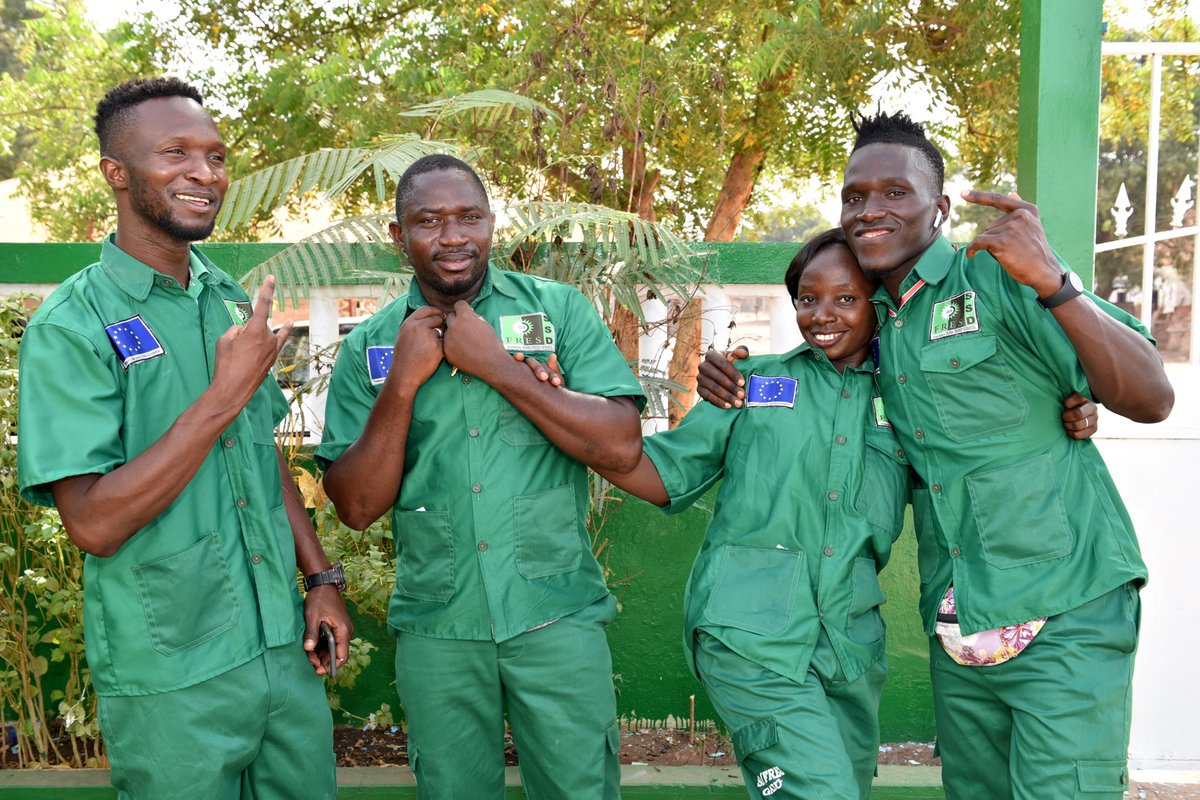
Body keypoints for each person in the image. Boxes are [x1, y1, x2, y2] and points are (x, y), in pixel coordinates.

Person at [698, 111, 1173, 799]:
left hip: (1066, 606)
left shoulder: (998, 279)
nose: (870, 210)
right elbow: (817, 383)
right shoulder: (874, 322)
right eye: (855, 197)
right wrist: (735, 375)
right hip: (963, 621)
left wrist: (1054, 283)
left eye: (896, 192)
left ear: (941, 208)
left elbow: (1152, 395)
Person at [17, 77, 351, 799]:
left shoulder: (229, 298)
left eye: (217, 156)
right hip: (172, 669)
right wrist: (222, 396)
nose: (206, 173)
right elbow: (95, 522)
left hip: (280, 654)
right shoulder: (71, 326)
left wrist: (321, 579)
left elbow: (259, 448)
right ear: (117, 173)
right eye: (176, 153)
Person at [316, 154, 645, 800]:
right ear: (398, 236)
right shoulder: (371, 349)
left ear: (493, 223)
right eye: (429, 221)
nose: (453, 237)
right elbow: (355, 505)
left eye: (470, 217)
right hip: (440, 630)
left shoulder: (558, 314)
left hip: (556, 616)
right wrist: (402, 385)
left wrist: (500, 368)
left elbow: (621, 444)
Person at [583, 229, 906, 799]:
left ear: (879, 302)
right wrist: (560, 416)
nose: (822, 315)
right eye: (808, 299)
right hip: (750, 636)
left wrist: (1074, 406)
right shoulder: (752, 381)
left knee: (845, 788)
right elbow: (662, 475)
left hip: (850, 646)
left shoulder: (910, 398)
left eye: (846, 298)